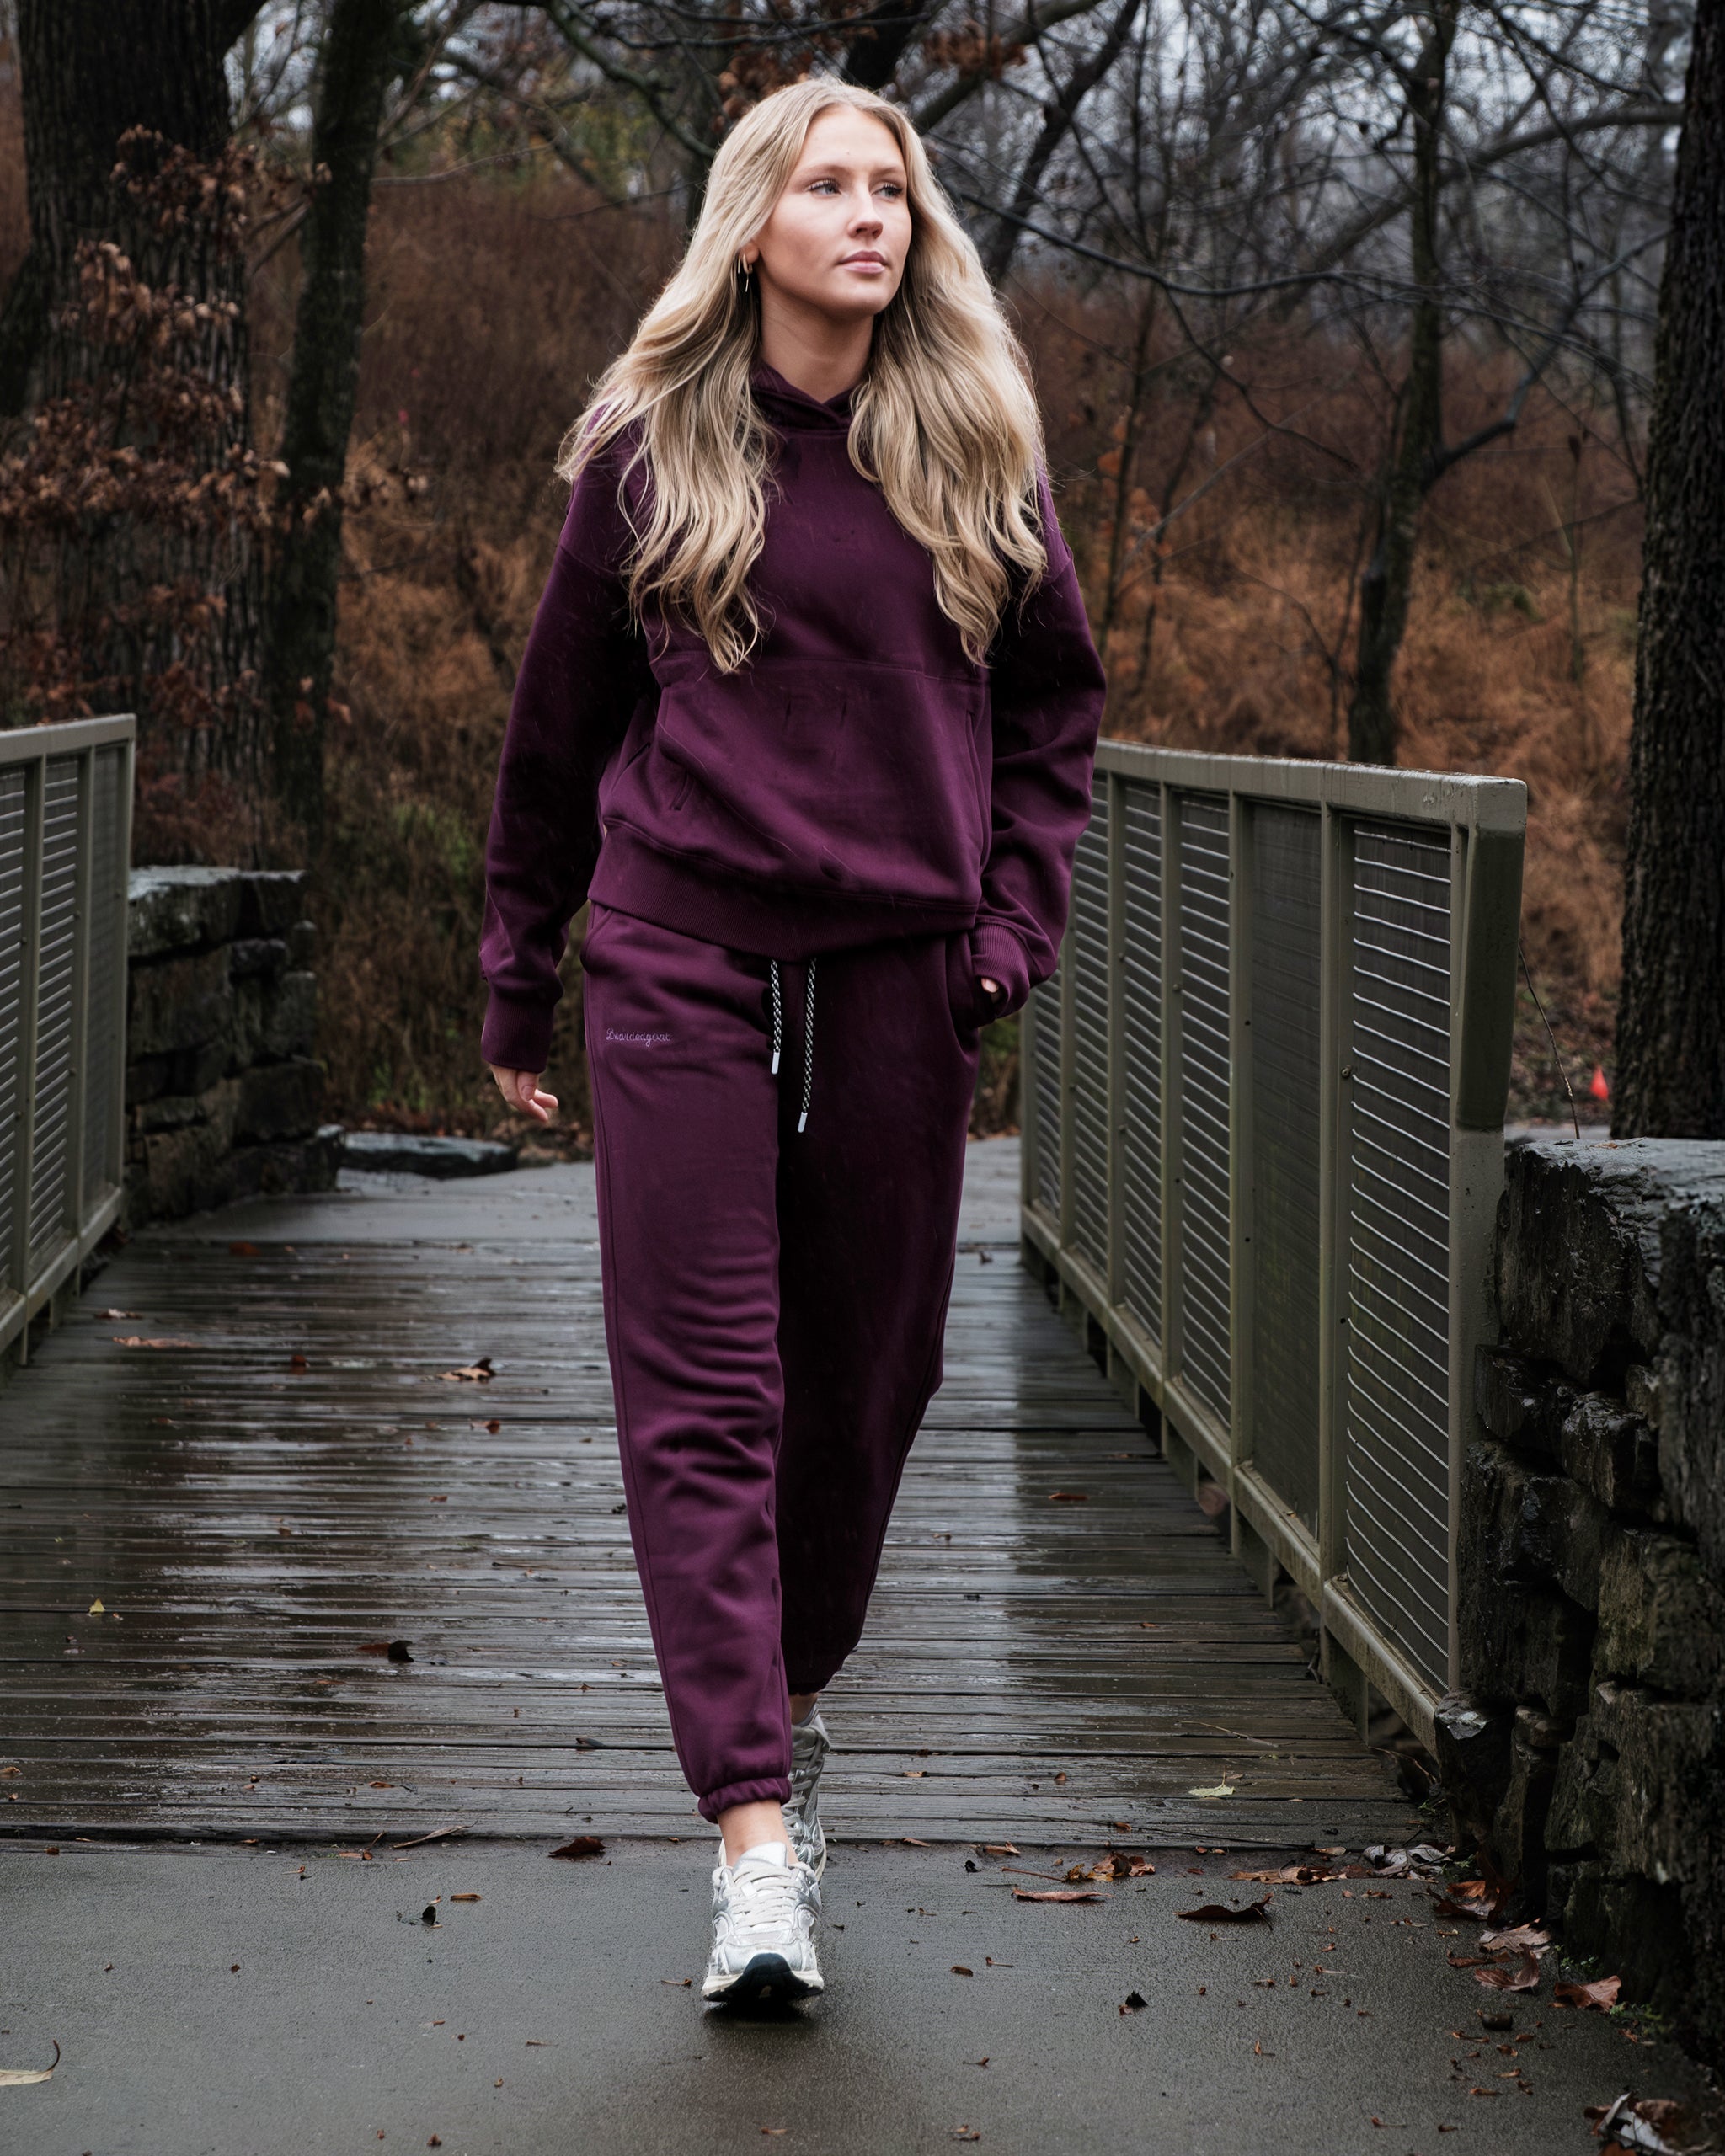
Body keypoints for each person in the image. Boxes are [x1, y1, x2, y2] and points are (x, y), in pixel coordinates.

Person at [479, 76, 1104, 2005]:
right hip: (677, 961)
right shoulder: (652, 454)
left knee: (861, 1396)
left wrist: (1004, 932)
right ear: (753, 221)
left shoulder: (973, 449)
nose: (866, 215)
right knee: (707, 1403)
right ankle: (753, 1838)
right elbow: (554, 728)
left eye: (891, 188)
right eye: (826, 184)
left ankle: (790, 1709)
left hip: (905, 984)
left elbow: (1053, 726)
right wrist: (521, 960)